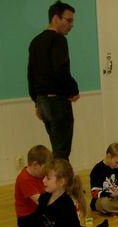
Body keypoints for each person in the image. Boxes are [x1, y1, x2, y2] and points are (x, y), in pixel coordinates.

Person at [15, 145, 108, 227]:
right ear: (35, 165)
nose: (45, 176)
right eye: (45, 168)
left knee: (66, 225)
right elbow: (41, 202)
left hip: (41, 214)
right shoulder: (24, 179)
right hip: (27, 219)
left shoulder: (38, 176)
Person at [28, 1, 79, 160]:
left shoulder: (35, 41)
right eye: (68, 20)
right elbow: (60, 69)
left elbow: (31, 75)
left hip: (43, 101)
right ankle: (59, 176)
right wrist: (73, 90)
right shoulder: (59, 39)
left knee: (57, 148)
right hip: (57, 102)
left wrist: (37, 101)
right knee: (61, 152)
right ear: (56, 18)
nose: (71, 25)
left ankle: (56, 175)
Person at [13, 159, 84, 227]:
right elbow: (34, 223)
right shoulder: (44, 198)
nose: (43, 181)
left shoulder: (66, 204)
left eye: (48, 178)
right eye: (44, 177)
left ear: (61, 182)